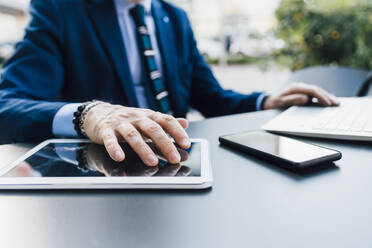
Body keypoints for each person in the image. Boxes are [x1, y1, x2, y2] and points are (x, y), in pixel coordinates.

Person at [0, 0, 339, 167]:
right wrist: (88, 115)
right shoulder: (60, 9)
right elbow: (7, 105)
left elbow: (211, 97)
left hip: (182, 164)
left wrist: (266, 101)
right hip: (110, 174)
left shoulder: (174, 18)